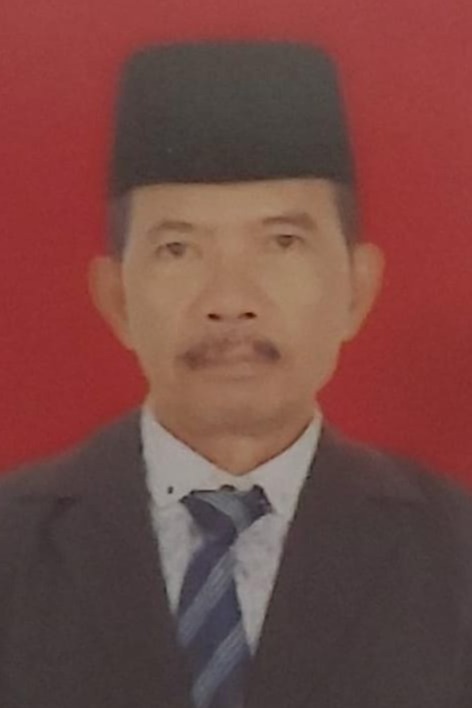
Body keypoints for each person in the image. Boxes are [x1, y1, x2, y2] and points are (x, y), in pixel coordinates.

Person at [0, 40, 471, 708]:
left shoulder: (457, 554)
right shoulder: (12, 546)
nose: (229, 300)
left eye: (282, 243)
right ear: (117, 299)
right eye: (178, 248)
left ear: (358, 290)